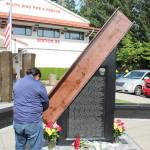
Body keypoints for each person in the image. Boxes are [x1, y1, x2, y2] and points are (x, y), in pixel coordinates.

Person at [13, 67, 49, 150]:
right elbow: (46, 102)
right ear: (37, 76)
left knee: (19, 145)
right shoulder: (38, 84)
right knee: (35, 146)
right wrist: (40, 110)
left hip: (18, 121)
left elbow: (16, 97)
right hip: (33, 121)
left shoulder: (17, 83)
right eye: (39, 78)